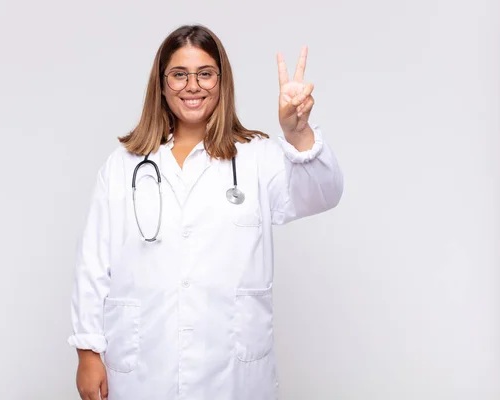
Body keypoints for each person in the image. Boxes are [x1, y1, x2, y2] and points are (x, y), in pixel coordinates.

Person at [68, 24, 343, 400]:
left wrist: (298, 133)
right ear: (162, 84)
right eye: (179, 74)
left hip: (231, 372)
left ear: (221, 81)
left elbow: (324, 193)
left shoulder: (257, 158)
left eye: (205, 74)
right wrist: (88, 350)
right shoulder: (123, 166)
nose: (192, 86)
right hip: (145, 368)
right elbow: (93, 265)